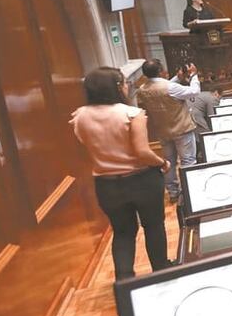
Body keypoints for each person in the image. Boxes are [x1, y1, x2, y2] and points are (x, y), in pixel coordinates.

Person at [71, 67, 171, 279]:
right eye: (125, 83)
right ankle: (161, 272)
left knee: (123, 233)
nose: (127, 87)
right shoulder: (131, 114)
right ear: (117, 87)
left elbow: (84, 150)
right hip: (142, 180)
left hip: (106, 184)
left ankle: (124, 282)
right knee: (153, 226)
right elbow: (142, 152)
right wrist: (162, 162)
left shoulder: (79, 117)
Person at [136, 59, 200, 202]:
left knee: (169, 162)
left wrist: (177, 78)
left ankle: (173, 192)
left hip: (163, 130)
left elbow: (161, 89)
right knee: (188, 160)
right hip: (182, 128)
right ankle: (188, 192)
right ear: (161, 71)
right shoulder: (170, 87)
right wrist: (194, 76)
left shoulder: (142, 90)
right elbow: (194, 91)